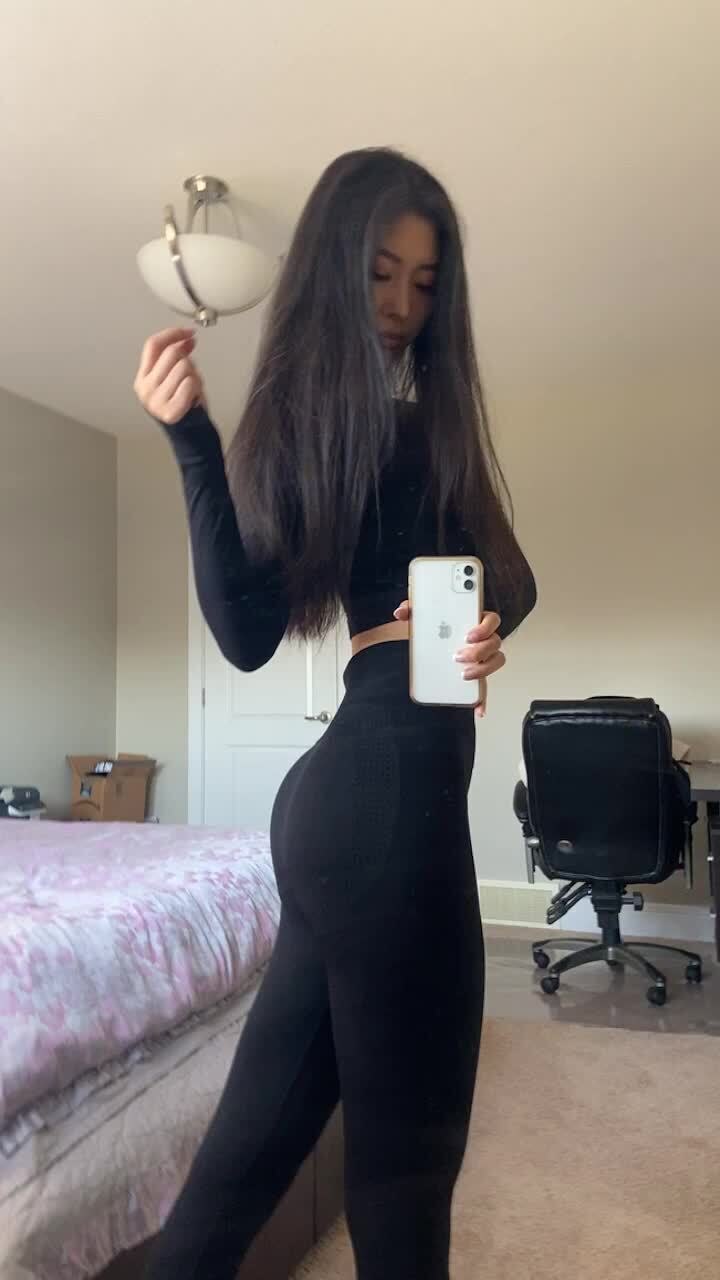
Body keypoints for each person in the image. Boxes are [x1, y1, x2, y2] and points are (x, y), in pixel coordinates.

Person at [134, 147, 536, 1280]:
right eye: (381, 275)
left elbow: (517, 580)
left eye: (425, 282)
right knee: (408, 1170)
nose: (404, 304)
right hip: (385, 798)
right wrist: (190, 441)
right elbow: (247, 631)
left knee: (243, 1164)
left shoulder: (428, 428)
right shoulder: (311, 428)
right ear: (332, 272)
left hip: (350, 805)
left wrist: (480, 622)